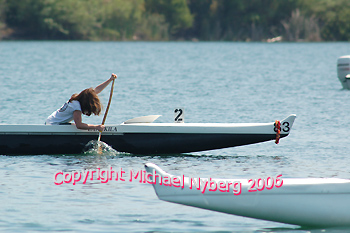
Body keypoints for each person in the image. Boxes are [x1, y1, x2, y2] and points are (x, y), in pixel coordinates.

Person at [45, 74, 117, 131]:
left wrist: (110, 80)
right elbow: (79, 125)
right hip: (54, 125)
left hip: (51, 121)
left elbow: (96, 90)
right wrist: (96, 127)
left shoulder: (78, 98)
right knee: (79, 127)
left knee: (75, 126)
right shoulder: (76, 106)